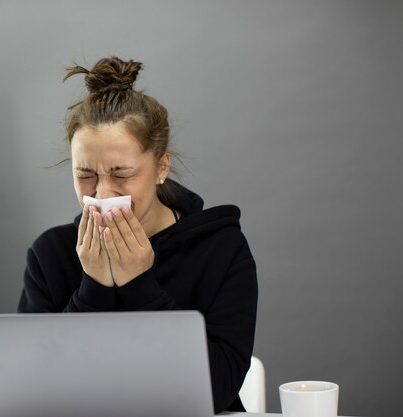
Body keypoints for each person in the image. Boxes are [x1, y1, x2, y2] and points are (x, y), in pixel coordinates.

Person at [17, 56, 258, 413]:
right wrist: (93, 288)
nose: (101, 194)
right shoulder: (50, 253)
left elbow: (217, 390)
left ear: (161, 167)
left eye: (121, 174)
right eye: (85, 175)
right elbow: (34, 388)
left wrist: (138, 285)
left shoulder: (221, 249)